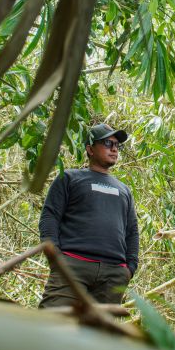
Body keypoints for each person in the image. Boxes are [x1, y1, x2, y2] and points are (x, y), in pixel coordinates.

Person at [38, 123, 139, 307]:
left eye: (117, 145)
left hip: (114, 274)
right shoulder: (69, 178)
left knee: (100, 334)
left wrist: (129, 268)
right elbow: (50, 217)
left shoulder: (124, 190)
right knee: (52, 323)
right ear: (90, 149)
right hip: (72, 266)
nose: (114, 149)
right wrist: (56, 258)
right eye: (108, 143)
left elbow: (132, 231)